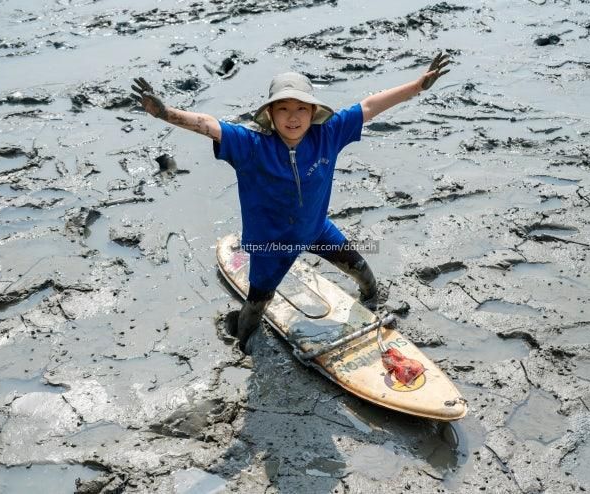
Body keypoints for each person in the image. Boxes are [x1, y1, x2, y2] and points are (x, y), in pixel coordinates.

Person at [131, 53, 450, 353]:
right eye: (283, 109)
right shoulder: (251, 145)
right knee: (256, 306)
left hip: (317, 231)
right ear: (271, 114)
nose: (293, 118)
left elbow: (368, 107)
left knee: (366, 277)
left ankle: (369, 307)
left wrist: (417, 86)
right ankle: (243, 347)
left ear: (313, 113)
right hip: (270, 246)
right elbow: (209, 124)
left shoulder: (329, 134)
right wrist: (165, 113)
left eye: (301, 109)